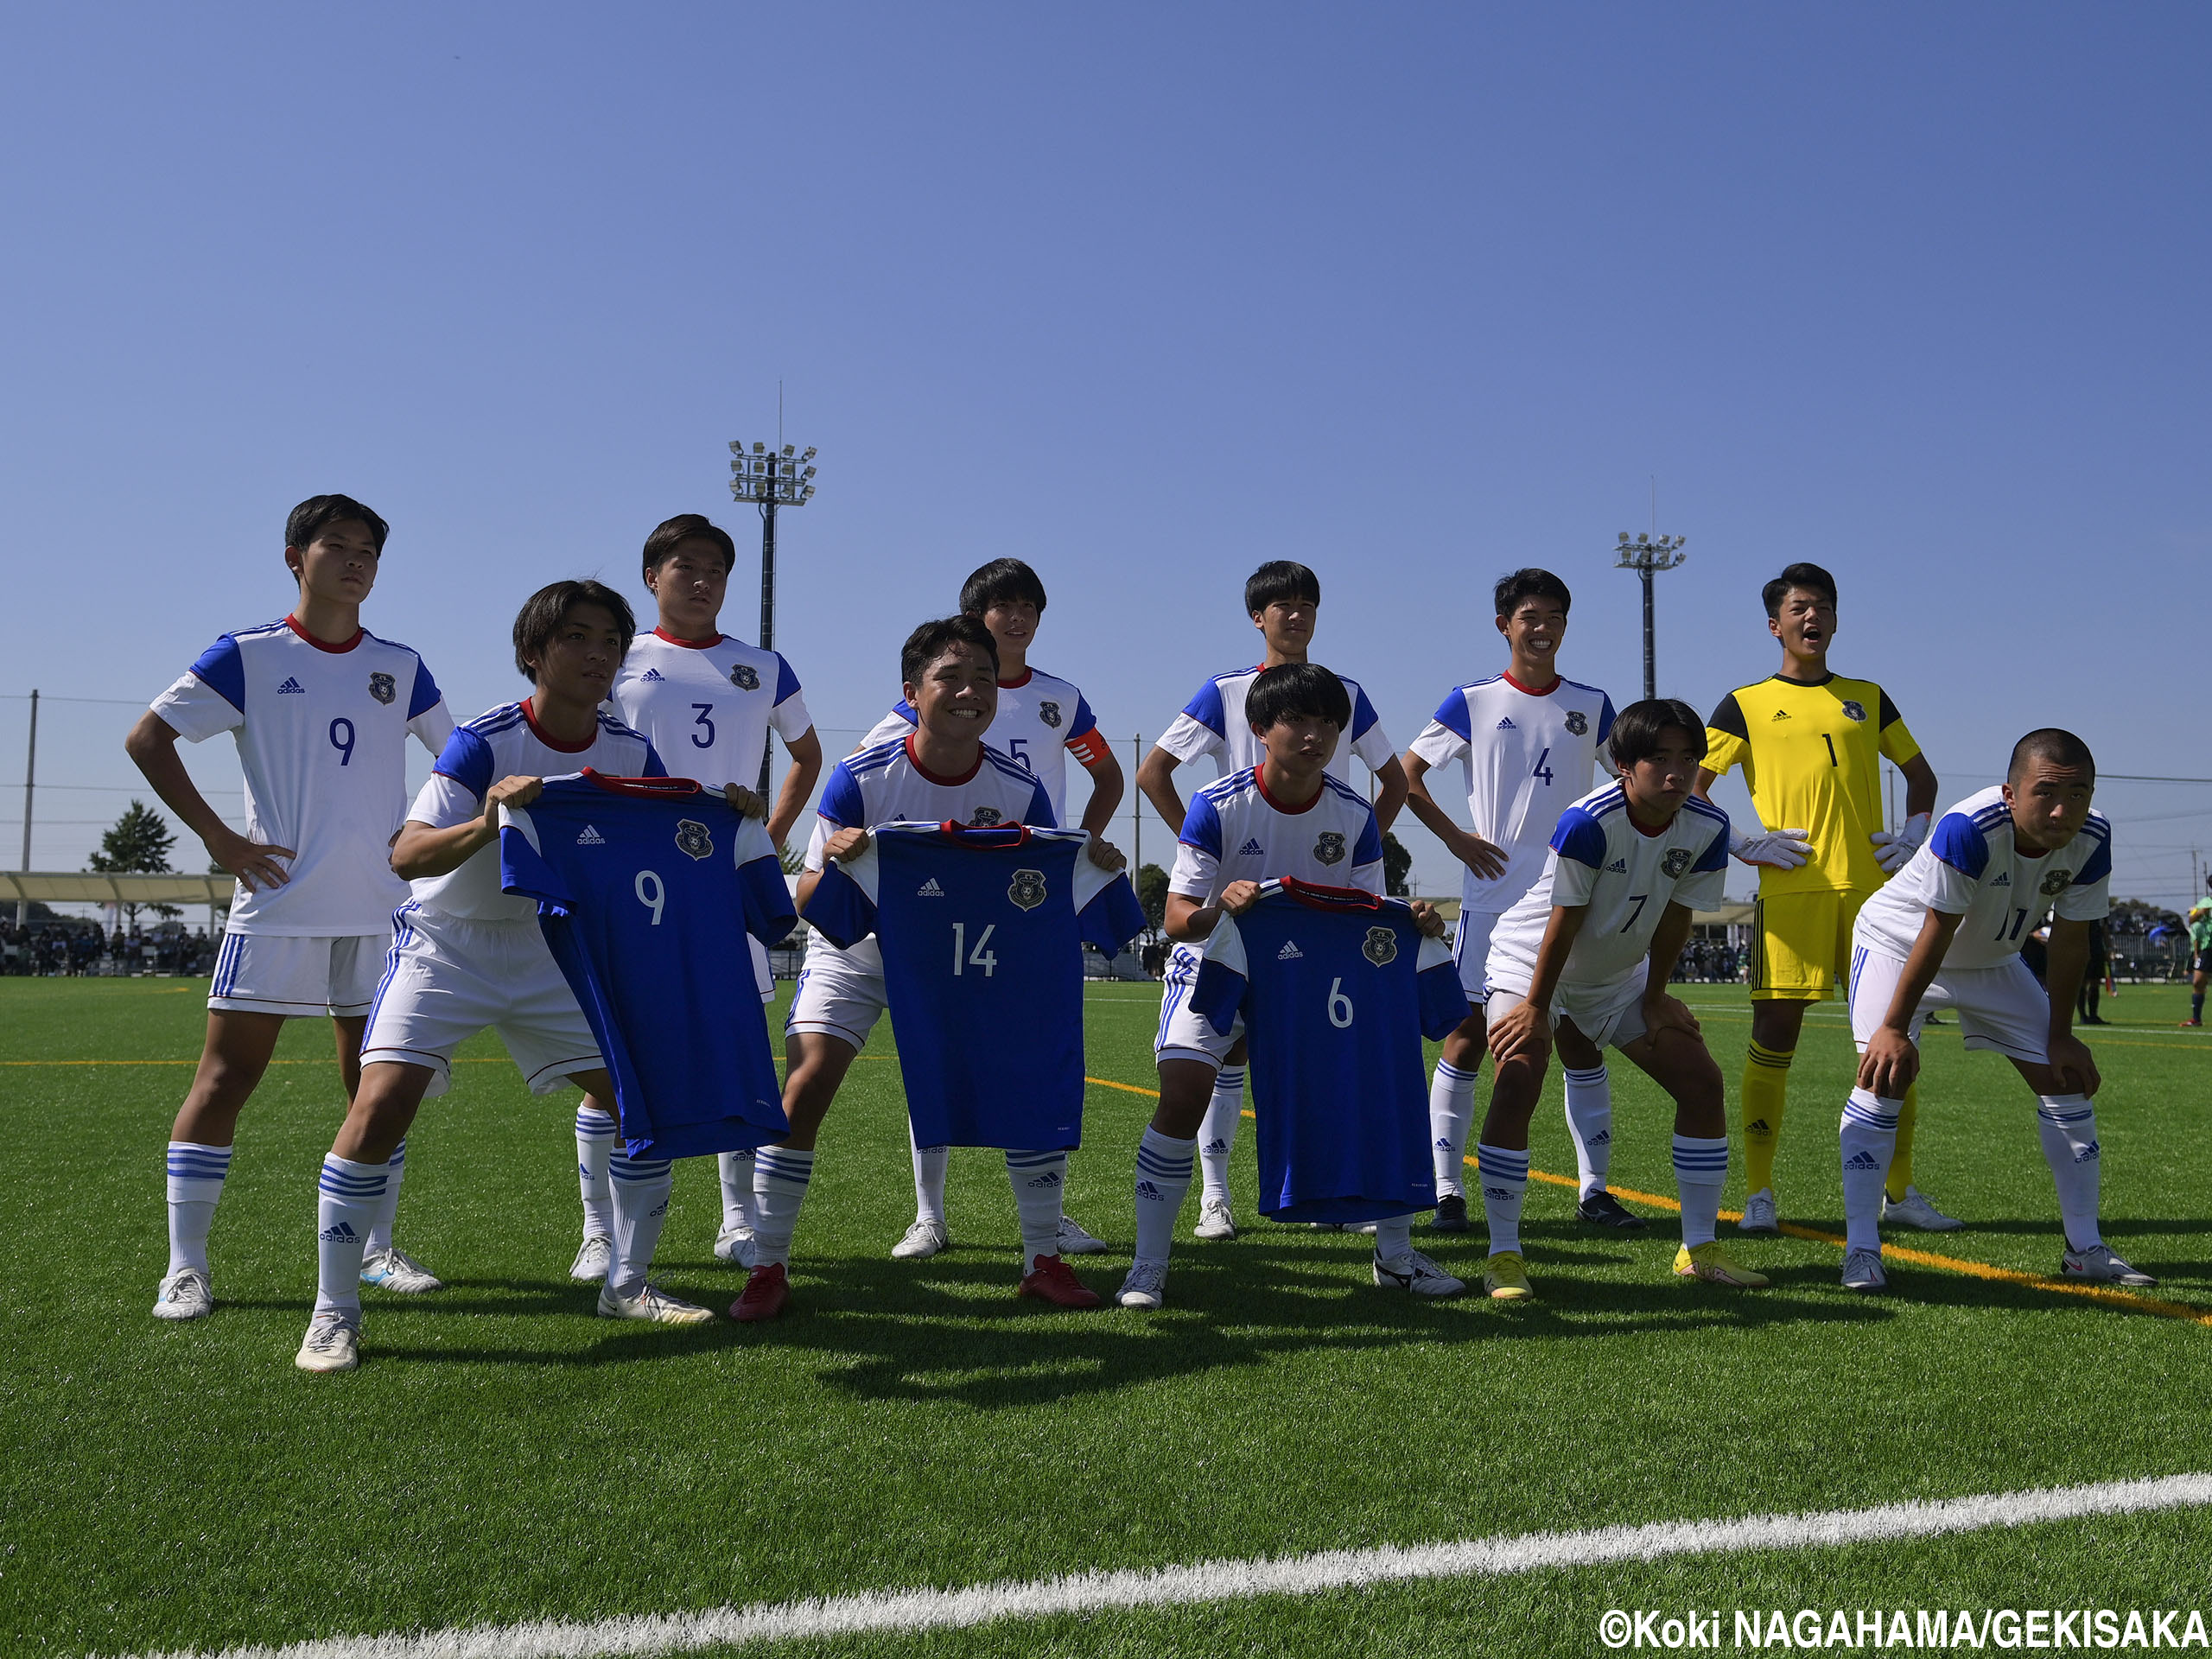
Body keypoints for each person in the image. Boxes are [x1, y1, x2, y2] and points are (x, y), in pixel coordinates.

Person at [295, 581, 702, 1374]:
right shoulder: (482, 742)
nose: (597, 654)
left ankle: (628, 1281)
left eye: (611, 641)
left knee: (642, 1101)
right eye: (577, 637)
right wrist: (486, 820)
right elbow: (406, 854)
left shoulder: (628, 751)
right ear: (534, 654)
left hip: (554, 950)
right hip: (450, 946)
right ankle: (332, 1312)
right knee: (379, 1106)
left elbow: (656, 851)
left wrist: (726, 815)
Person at [730, 616, 1128, 1322]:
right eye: (951, 677)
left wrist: (1093, 860)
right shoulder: (860, 777)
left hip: (967, 960)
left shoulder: (1019, 788)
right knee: (808, 1081)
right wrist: (848, 862)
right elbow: (814, 899)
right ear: (913, 692)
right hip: (861, 956)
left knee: (1027, 1080)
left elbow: (1038, 895)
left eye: (983, 677)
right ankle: (767, 1265)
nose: (970, 690)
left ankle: (1042, 1258)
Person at [125, 494, 454, 1322]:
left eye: (368, 552)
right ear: (294, 558)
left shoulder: (403, 665)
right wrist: (222, 842)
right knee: (226, 1078)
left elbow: (460, 758)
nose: (354, 562)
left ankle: (375, 1249)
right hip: (277, 907)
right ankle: (185, 1268)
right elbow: (147, 739)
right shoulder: (249, 655)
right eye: (336, 546)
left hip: (381, 913)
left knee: (375, 1085)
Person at [1120, 661, 1459, 1309]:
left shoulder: (1355, 814)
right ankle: (1149, 1265)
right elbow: (1177, 918)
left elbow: (1367, 921)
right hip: (1217, 958)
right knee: (1184, 1092)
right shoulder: (1216, 804)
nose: (1315, 736)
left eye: (1328, 723)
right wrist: (1225, 908)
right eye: (1298, 721)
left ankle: (1395, 1257)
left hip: (1312, 976)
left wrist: (1414, 919)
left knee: (1375, 1087)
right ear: (1259, 729)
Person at [858, 557, 1124, 1262]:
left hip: (1021, 899)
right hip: (937, 893)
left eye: (1027, 606)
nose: (1016, 618)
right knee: (934, 1045)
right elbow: (871, 758)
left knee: (1032, 1054)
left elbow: (1107, 773)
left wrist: (1079, 848)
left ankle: (1049, 1220)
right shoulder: (939, 681)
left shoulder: (1060, 698)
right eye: (1000, 606)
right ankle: (928, 1215)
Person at [1134, 561, 1408, 1242]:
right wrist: (1205, 861)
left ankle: (1336, 1201)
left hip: (1319, 905)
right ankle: (1214, 1196)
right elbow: (1153, 772)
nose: (1296, 615)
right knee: (1218, 1063)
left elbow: (1393, 782)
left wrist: (1355, 850)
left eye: (1307, 604)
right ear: (1257, 616)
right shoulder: (1226, 691)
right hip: (1235, 905)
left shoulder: (1346, 693)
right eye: (1281, 605)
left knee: (1327, 1062)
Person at [1836, 729, 2151, 1292]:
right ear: (2011, 792)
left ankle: (2086, 1249)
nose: (2063, 809)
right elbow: (1935, 932)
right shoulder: (1971, 827)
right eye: (2047, 792)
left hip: (1992, 960)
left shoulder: (2093, 836)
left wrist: (2061, 1035)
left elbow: (2072, 940)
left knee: (2066, 1080)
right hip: (1899, 946)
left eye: (2078, 793)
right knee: (1882, 1080)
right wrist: (1891, 1027)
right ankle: (1861, 1249)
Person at [1696, 562, 1954, 1236]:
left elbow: (1921, 776)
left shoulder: (1868, 696)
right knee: (1773, 1037)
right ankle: (1758, 1193)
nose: (1813, 618)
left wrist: (1915, 837)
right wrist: (1742, 843)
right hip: (1792, 893)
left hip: (1878, 898)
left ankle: (1900, 1191)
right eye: (1800, 608)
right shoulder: (1743, 703)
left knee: (1888, 1044)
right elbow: (1689, 792)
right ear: (1775, 623)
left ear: (1837, 620)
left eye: (1824, 608)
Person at [1478, 698, 1767, 1300]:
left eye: (1689, 759)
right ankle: (1503, 1256)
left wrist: (1657, 995)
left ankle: (1699, 1248)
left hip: (1615, 977)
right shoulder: (1589, 821)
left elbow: (1676, 916)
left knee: (1700, 1080)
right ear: (1623, 766)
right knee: (1520, 1074)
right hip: (1531, 965)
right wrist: (1534, 1008)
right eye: (1659, 759)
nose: (1677, 773)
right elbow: (1564, 919)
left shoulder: (1707, 827)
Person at [602, 513, 823, 1280]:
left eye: (716, 570)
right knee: (613, 1050)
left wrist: (766, 828)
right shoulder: (615, 657)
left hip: (722, 881)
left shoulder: (761, 665)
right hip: (634, 880)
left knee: (733, 1044)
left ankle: (737, 1219)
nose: (702, 581)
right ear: (651, 576)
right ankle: (599, 1232)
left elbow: (806, 753)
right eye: (685, 566)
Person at [1400, 569, 1630, 1234]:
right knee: (1468, 1037)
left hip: (1574, 898)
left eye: (1555, 615)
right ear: (1505, 624)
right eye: (1530, 616)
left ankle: (1595, 1192)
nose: (1543, 627)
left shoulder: (1593, 703)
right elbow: (1408, 777)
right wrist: (1459, 840)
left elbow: (1632, 780)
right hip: (1495, 899)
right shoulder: (1471, 700)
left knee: (1579, 1040)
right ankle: (1446, 1191)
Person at [2183, 880, 2212, 1027]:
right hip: (2208, 948)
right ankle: (2196, 1019)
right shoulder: (2205, 902)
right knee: (2197, 982)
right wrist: (2200, 913)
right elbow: (2191, 919)